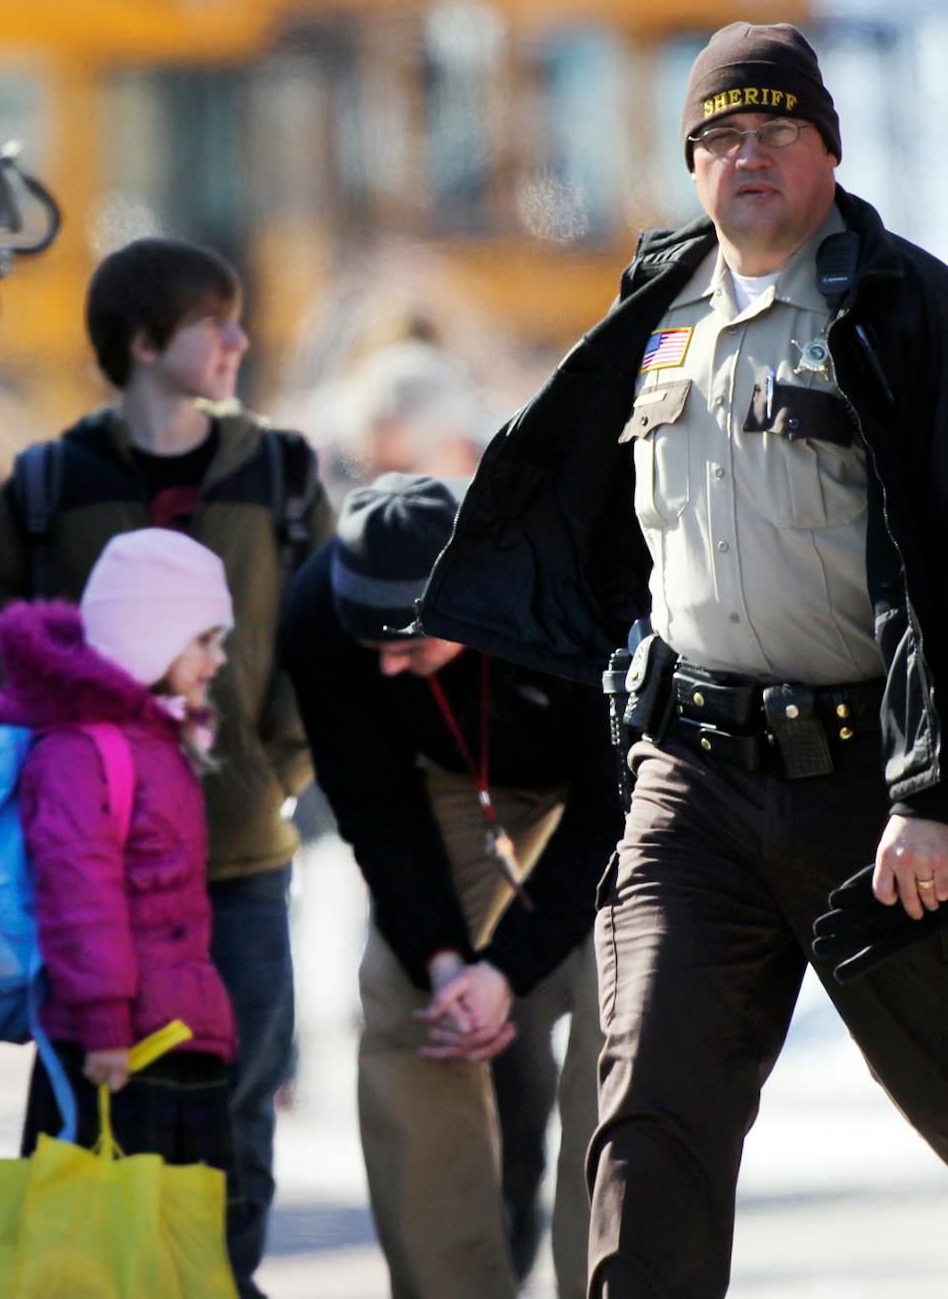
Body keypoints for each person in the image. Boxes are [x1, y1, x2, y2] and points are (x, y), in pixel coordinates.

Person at [417, 21, 948, 1297]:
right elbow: (594, 533)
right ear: (692, 164)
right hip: (691, 788)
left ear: (828, 148)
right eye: (721, 137)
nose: (748, 156)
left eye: (776, 130)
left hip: (875, 790)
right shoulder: (656, 311)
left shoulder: (911, 310)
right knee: (650, 1112)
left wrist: (941, 797)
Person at [0, 236, 330, 1296]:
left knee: (237, 1112)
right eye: (217, 321)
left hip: (241, 863)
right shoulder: (46, 484)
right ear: (143, 342)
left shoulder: (280, 472)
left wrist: (270, 766)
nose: (239, 341)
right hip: (98, 867)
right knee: (91, 1099)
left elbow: (323, 634)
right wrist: (72, 754)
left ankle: (222, 1283)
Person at [280, 474, 622, 1299]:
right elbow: (377, 810)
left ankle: (603, 1284)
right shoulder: (318, 617)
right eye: (378, 652)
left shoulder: (573, 578)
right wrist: (444, 962)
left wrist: (507, 969)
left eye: (411, 645)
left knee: (619, 1027)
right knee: (404, 1000)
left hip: (613, 778)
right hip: (457, 780)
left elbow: (607, 808)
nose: (392, 669)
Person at [0, 530, 241, 1176]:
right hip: (119, 1048)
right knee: (107, 1259)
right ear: (151, 638)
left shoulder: (157, 740)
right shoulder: (81, 752)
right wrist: (104, 1025)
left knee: (178, 1249)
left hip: (173, 1032)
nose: (217, 661)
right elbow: (79, 894)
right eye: (204, 640)